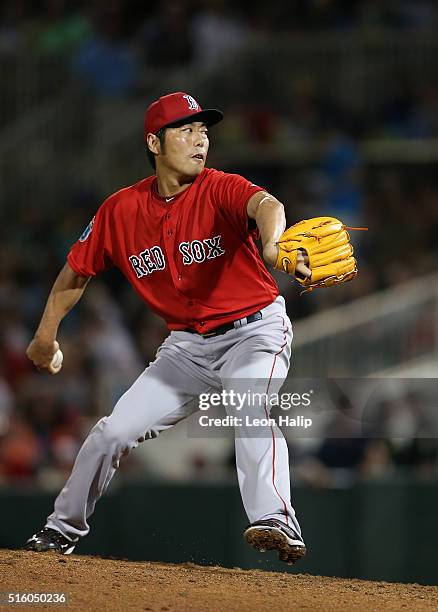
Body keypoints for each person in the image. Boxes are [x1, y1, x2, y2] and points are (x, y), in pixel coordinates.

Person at [25, 92, 310, 565]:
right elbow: (76, 271)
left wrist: (274, 245)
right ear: (154, 143)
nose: (201, 140)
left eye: (204, 131)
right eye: (186, 130)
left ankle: (277, 517)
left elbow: (267, 205)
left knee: (247, 402)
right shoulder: (121, 210)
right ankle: (60, 530)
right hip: (185, 348)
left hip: (255, 331)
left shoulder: (220, 187)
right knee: (111, 433)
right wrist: (45, 335)